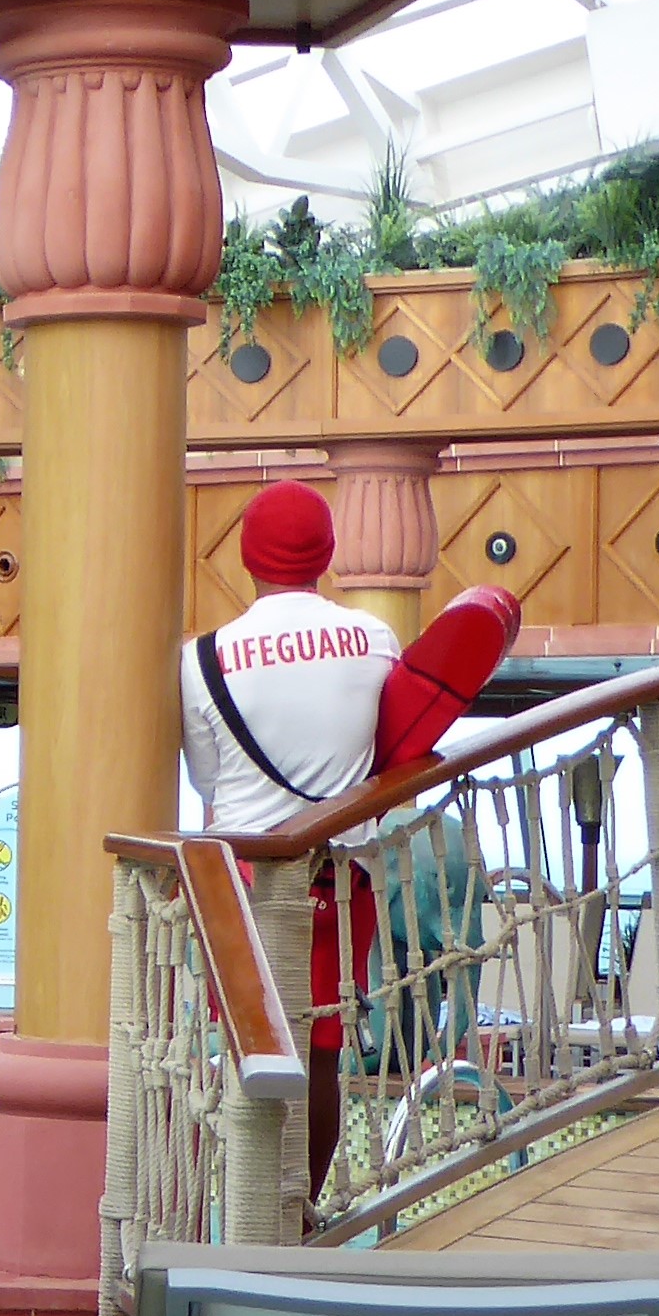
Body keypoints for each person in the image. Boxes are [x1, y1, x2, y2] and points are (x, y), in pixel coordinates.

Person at [179, 481, 520, 1193]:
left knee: (240, 1047)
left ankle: (239, 1203)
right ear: (328, 553)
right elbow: (391, 746)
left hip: (241, 882)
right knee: (323, 1051)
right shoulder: (372, 636)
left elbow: (209, 787)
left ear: (245, 556)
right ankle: (299, 1207)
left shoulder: (201, 658)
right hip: (338, 878)